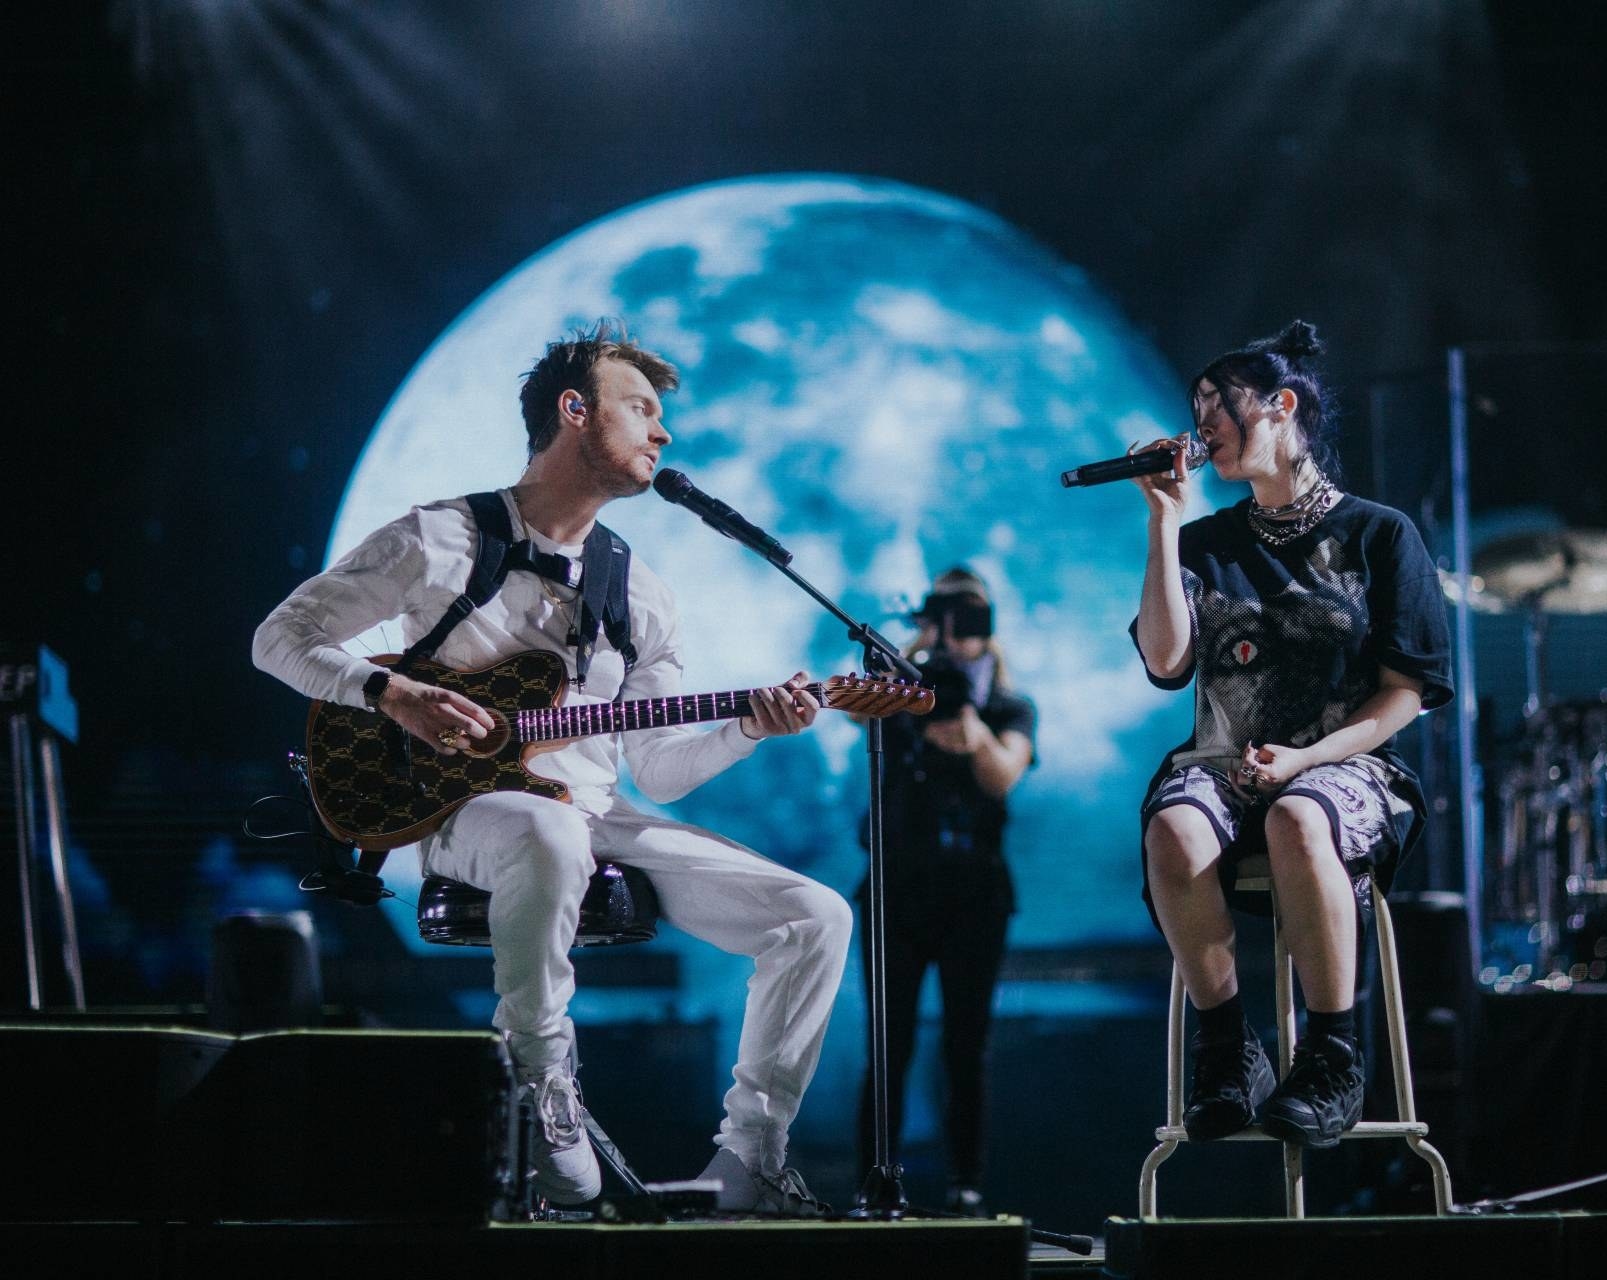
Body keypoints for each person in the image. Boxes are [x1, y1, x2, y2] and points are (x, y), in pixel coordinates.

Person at [253, 321, 853, 1214]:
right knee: (546, 826)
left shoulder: (639, 589)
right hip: (460, 808)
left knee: (815, 914)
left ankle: (751, 1155)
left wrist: (751, 729)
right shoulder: (440, 537)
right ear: (574, 412)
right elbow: (280, 638)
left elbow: (663, 767)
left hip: (594, 807)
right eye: (641, 409)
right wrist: (390, 693)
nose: (664, 433)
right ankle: (540, 1084)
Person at [1129, 321, 1452, 1149]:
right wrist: (1165, 524)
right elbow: (1166, 664)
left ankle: (1333, 1054)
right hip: (1222, 759)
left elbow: (1403, 697)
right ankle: (1229, 1050)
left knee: (1299, 818)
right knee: (1172, 822)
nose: (1202, 427)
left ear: (1280, 406)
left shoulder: (1381, 535)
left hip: (1343, 766)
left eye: (1218, 406)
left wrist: (1309, 758)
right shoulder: (1204, 542)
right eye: (1194, 408)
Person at [854, 567, 1036, 1213]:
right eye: (947, 613)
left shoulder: (1008, 706)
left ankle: (966, 1184)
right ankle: (874, 1181)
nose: (960, 628)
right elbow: (850, 709)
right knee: (888, 1043)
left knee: (967, 1044)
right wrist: (915, 655)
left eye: (971, 615)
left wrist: (968, 719)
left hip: (975, 894)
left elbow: (1001, 776)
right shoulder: (900, 694)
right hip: (897, 888)